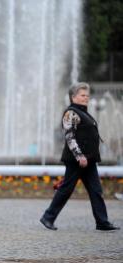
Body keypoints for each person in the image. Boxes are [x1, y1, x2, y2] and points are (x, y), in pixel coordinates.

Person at [40, 82, 120, 231]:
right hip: (77, 160)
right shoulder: (71, 113)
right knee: (66, 189)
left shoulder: (83, 112)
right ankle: (48, 217)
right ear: (73, 97)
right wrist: (79, 156)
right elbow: (69, 136)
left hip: (88, 160)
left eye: (87, 95)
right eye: (83, 95)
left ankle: (102, 222)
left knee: (96, 191)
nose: (86, 98)